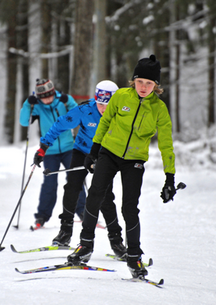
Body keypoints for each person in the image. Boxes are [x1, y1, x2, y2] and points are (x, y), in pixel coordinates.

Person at [67, 55, 176, 279]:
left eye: (149, 83)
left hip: (134, 160)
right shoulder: (120, 97)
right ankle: (85, 245)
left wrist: (170, 177)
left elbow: (166, 144)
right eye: (140, 82)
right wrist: (94, 150)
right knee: (95, 195)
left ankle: (134, 257)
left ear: (156, 86)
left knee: (129, 208)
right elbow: (105, 122)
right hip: (109, 152)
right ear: (133, 81)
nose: (144, 87)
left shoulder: (159, 110)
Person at [34, 80, 127, 259]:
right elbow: (60, 124)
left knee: (106, 197)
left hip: (105, 156)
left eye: (108, 105)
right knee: (72, 187)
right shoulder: (85, 110)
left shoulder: (122, 115)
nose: (103, 108)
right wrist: (43, 147)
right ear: (95, 100)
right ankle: (65, 232)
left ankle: (116, 241)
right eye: (100, 103)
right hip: (83, 151)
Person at [19, 78, 86, 228]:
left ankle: (83, 212)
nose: (47, 100)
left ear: (53, 92)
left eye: (49, 96)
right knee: (49, 183)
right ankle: (42, 216)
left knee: (75, 179)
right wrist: (27, 104)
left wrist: (68, 100)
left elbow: (78, 113)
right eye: (43, 98)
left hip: (69, 148)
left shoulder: (62, 102)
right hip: (49, 151)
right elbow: (24, 122)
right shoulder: (37, 107)